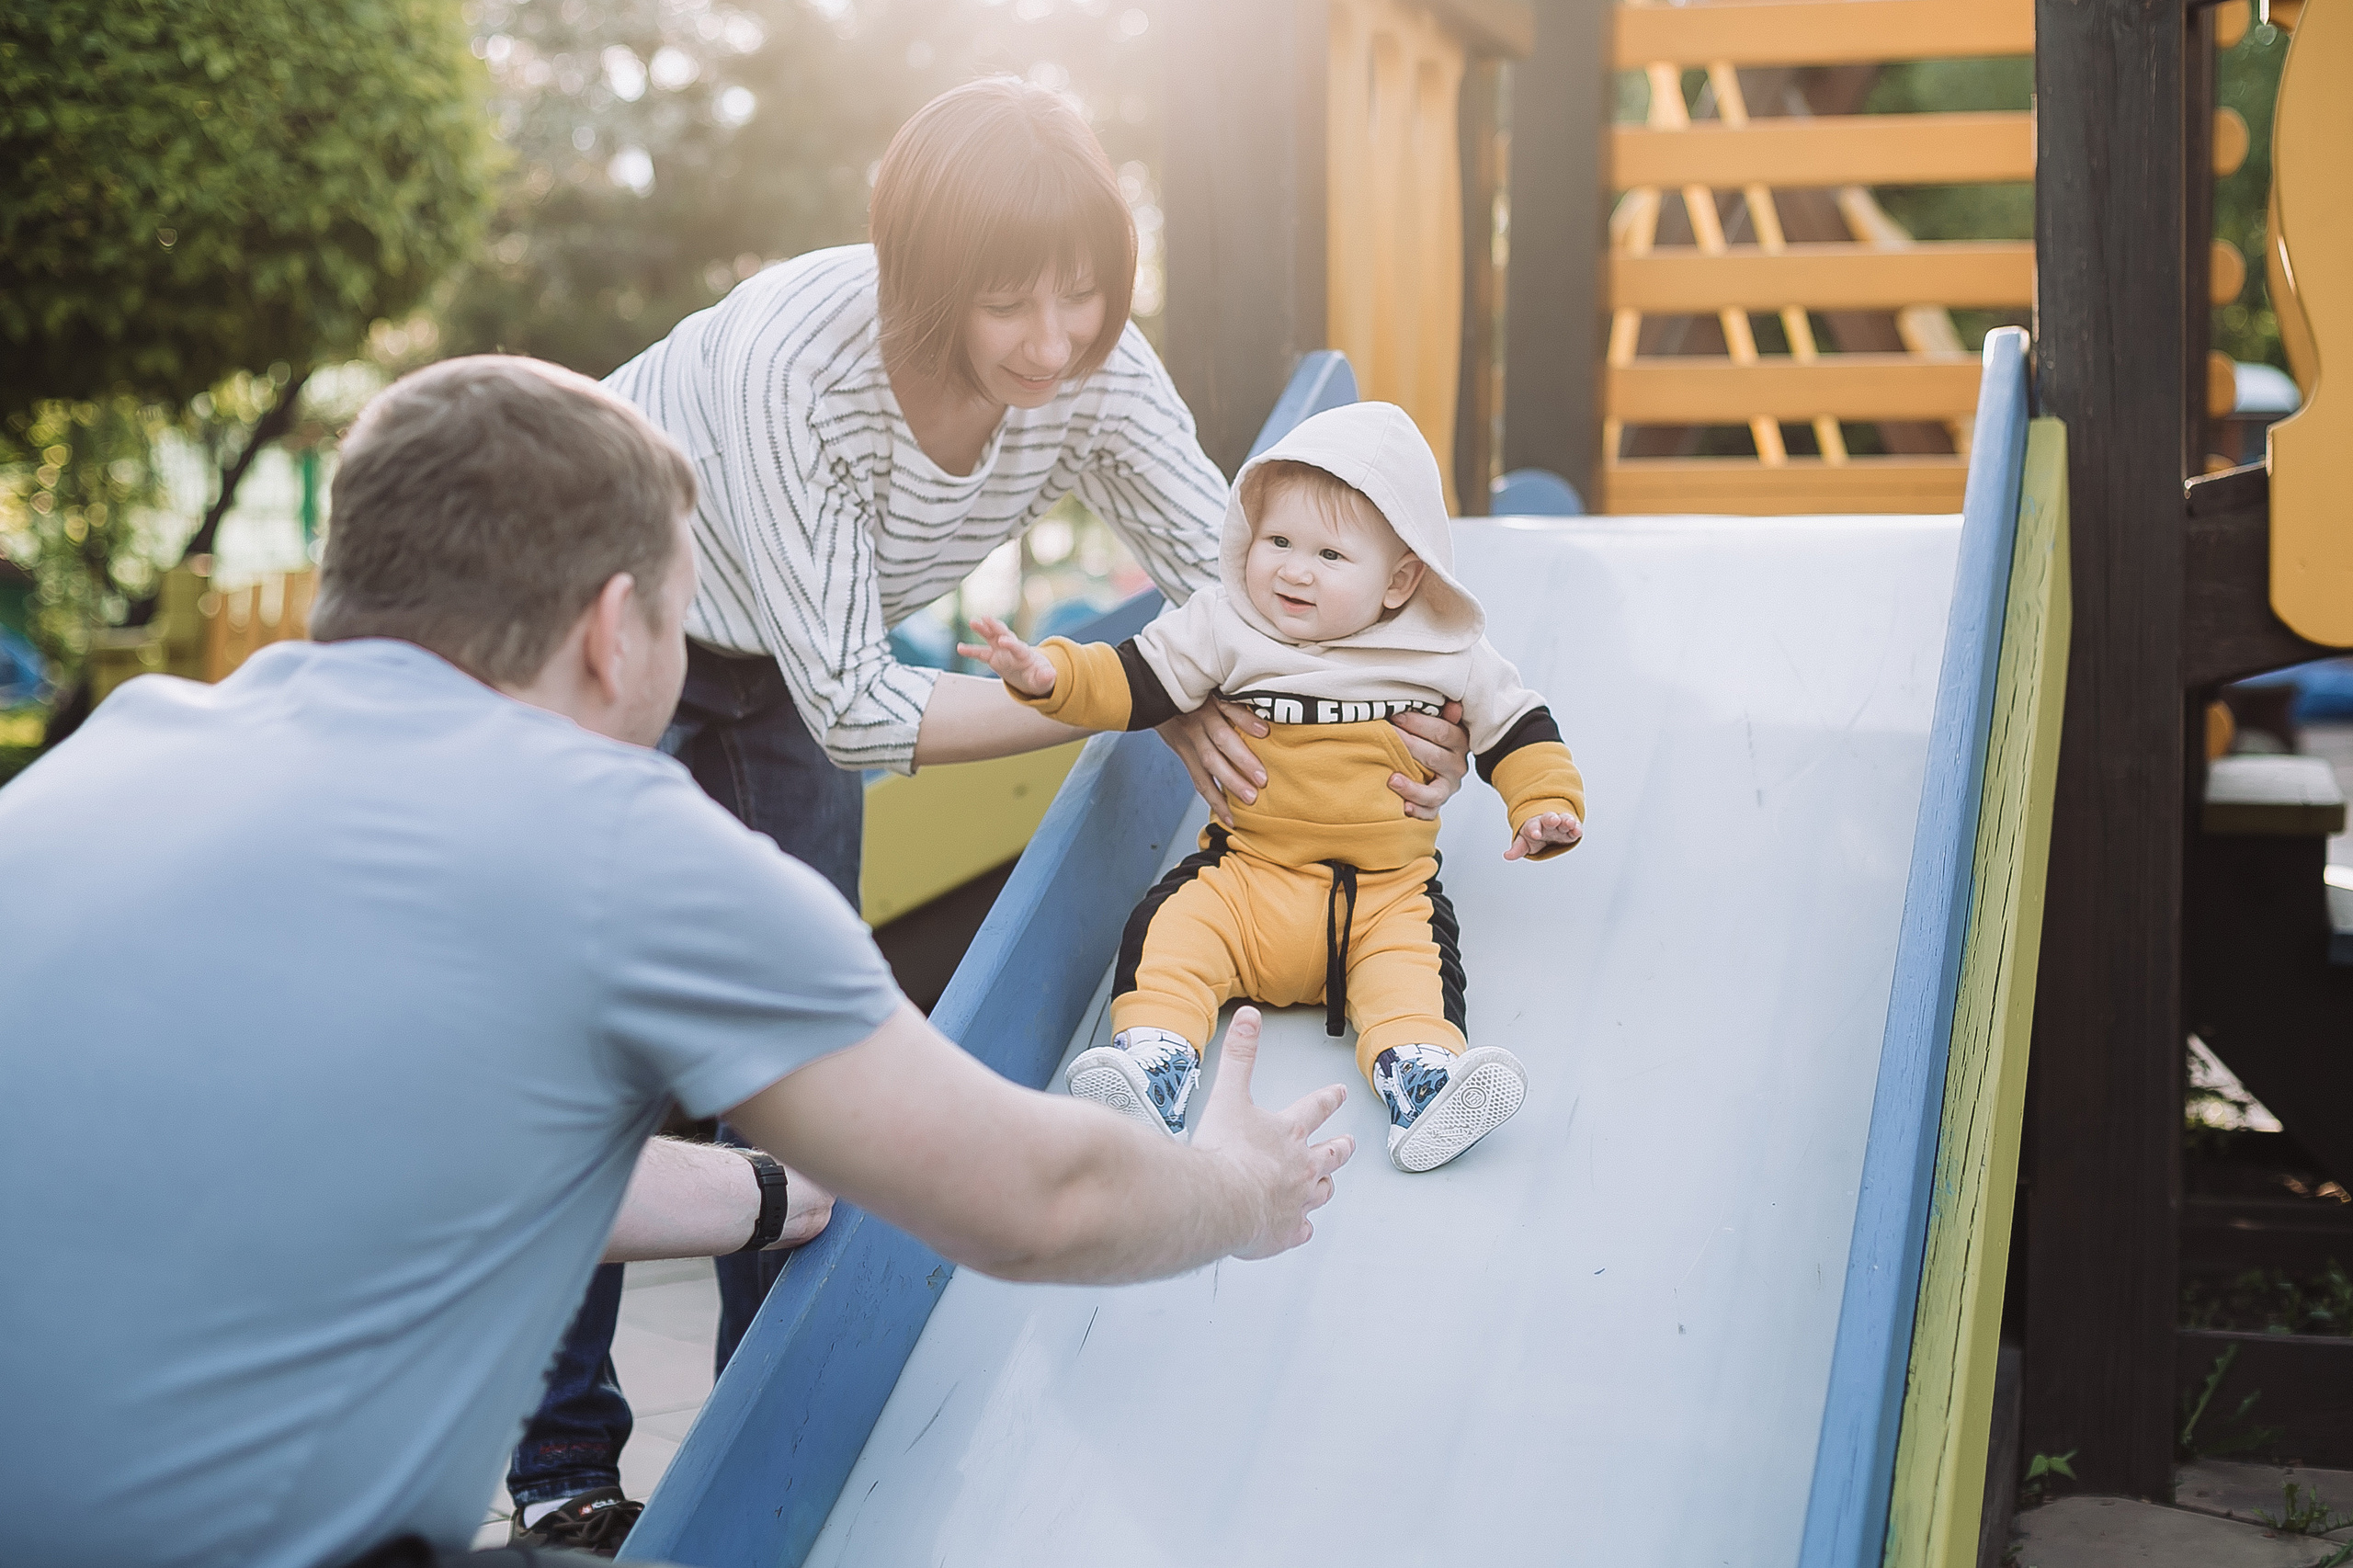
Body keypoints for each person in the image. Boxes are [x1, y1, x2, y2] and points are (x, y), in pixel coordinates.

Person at [0, 356, 1355, 1568]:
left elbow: (371, 1146)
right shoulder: (613, 837)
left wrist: (772, 1190)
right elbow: (1035, 1199)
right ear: (614, 627)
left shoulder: (128, 749)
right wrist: (1242, 1187)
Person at [506, 74, 1478, 1542]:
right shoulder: (799, 370)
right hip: (599, 627)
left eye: (1080, 296)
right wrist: (1150, 690)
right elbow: (861, 709)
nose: (1052, 341)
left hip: (783, 659)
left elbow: (1232, 579)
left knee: (790, 1036)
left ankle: (759, 1450)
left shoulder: (1092, 364)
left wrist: (1391, 713)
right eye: (1009, 305)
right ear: (923, 283)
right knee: (601, 1039)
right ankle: (566, 1478)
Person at [959, 402, 1586, 1174]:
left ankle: (1423, 1083)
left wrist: (1545, 803)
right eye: (1278, 541)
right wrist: (1052, 674)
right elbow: (1133, 678)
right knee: (1169, 933)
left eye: (1329, 554)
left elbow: (1517, 725)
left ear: (1399, 580)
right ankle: (1154, 1067)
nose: (1293, 568)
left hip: (1382, 896)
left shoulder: (1442, 647)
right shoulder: (1227, 624)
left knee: (1415, 975)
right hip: (1247, 880)